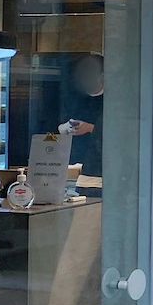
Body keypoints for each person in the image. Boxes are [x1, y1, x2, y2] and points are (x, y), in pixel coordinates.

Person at [60, 53, 104, 198]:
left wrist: (91, 128)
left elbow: (121, 134)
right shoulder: (73, 96)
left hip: (100, 174)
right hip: (79, 173)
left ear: (102, 76)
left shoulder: (114, 101)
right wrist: (63, 128)